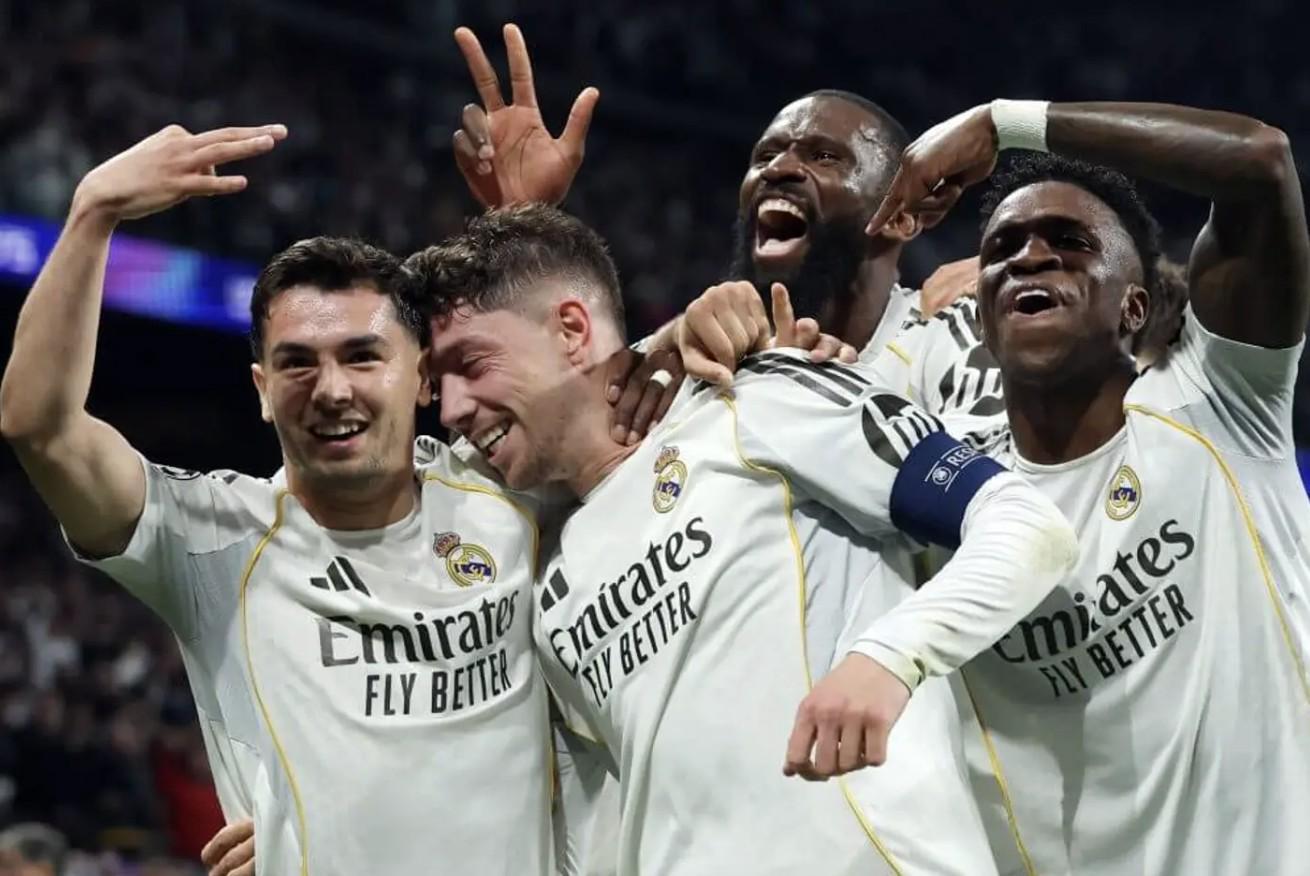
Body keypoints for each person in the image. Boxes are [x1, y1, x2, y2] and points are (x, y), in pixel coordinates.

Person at [417, 203, 1079, 874]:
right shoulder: (547, 582)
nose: (452, 409)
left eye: (471, 364)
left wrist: (891, 656)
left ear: (571, 330)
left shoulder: (758, 399)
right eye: (438, 385)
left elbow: (1026, 527)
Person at [0, 123, 562, 875]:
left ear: (424, 377)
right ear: (262, 391)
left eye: (362, 356)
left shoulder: (510, 493)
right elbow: (41, 427)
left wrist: (532, 238)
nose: (331, 390)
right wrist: (92, 211)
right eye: (298, 364)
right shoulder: (210, 539)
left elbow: (615, 389)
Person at [858, 99, 1310, 873]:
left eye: (1069, 242)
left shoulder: (1218, 404)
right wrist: (689, 334)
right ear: (983, 321)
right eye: (1003, 248)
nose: (1030, 257)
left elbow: (1260, 163)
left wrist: (1004, 124)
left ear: (1134, 306)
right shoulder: (944, 486)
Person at [448, 25, 969, 382]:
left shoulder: (949, 344)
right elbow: (559, 420)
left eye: (825, 156)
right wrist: (521, 218)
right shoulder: (697, 358)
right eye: (765, 155)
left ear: (902, 216)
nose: (778, 169)